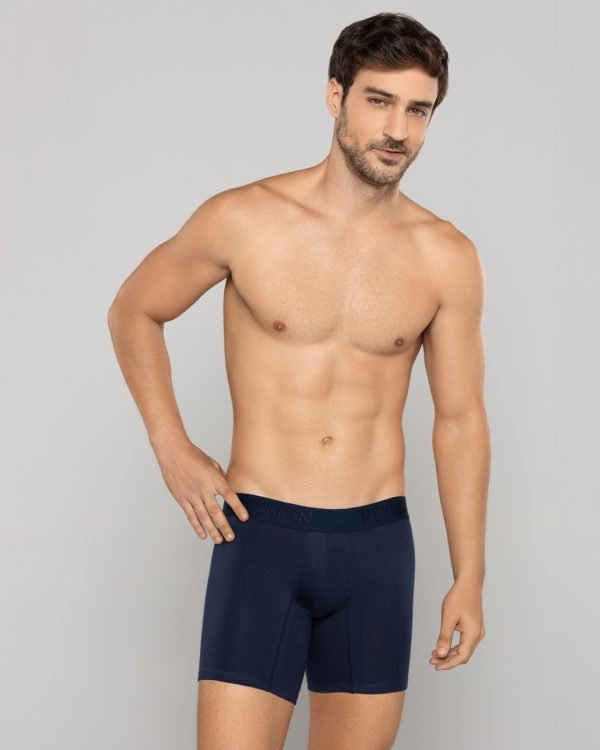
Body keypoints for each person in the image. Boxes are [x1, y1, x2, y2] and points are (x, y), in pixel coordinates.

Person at [107, 11, 489, 750]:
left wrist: (469, 575)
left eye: (418, 110)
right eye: (379, 101)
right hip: (261, 539)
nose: (397, 130)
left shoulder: (446, 256)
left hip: (376, 547)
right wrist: (171, 445)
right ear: (335, 95)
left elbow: (460, 419)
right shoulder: (245, 218)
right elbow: (134, 310)